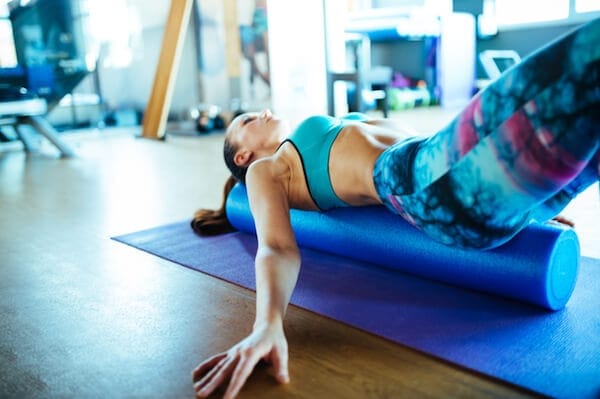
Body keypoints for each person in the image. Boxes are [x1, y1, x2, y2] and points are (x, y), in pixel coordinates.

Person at [191, 18, 599, 398]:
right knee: (587, 55)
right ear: (242, 156)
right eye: (246, 120)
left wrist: (529, 208)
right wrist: (267, 325)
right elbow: (276, 247)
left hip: (466, 180)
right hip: (432, 185)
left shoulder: (297, 145)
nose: (261, 112)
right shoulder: (267, 169)